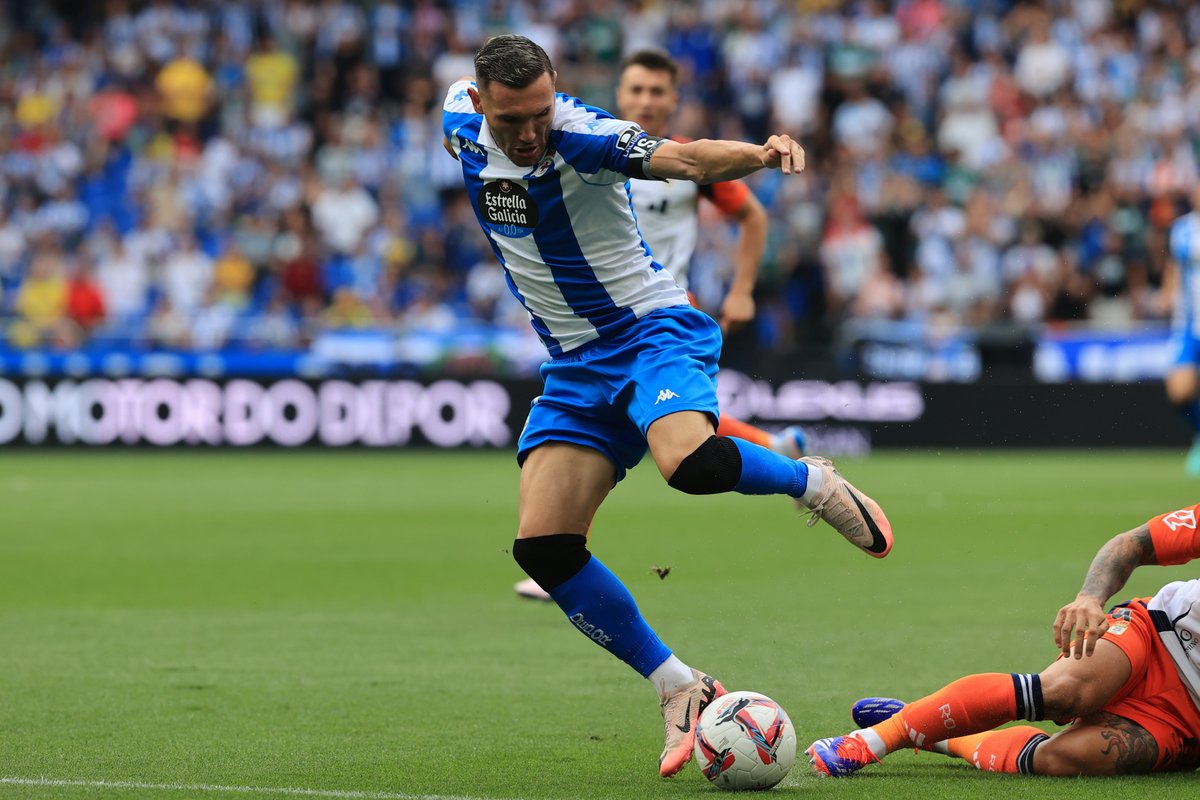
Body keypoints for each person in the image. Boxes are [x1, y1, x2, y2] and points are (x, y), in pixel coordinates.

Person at [443, 35, 894, 779]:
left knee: (688, 462)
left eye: (539, 115)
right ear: (480, 99)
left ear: (555, 94)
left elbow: (686, 160)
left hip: (652, 330)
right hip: (574, 366)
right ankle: (679, 686)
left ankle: (809, 481)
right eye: (511, 120)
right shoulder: (456, 116)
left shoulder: (584, 135)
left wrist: (758, 152)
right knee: (544, 549)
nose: (529, 134)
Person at [514, 49, 807, 603]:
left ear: (673, 101)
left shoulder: (682, 161)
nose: (645, 101)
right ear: (619, 95)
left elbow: (750, 213)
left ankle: (559, 551)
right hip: (601, 325)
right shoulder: (588, 148)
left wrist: (742, 289)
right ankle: (780, 447)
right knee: (648, 433)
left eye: (657, 92)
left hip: (662, 320)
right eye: (636, 91)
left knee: (667, 442)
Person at [806, 503, 1200, 777]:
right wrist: (1089, 598)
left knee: (1059, 759)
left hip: (1187, 719)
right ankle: (871, 741)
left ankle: (939, 733)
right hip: (1159, 634)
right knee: (1065, 691)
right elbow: (1132, 544)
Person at [1164, 184, 1200, 475]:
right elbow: (1174, 268)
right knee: (1179, 391)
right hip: (1189, 326)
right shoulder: (1182, 229)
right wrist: (1167, 294)